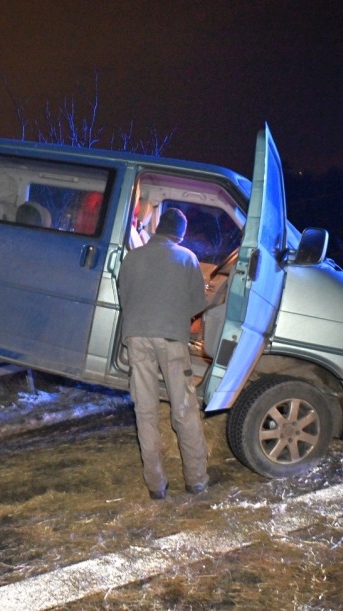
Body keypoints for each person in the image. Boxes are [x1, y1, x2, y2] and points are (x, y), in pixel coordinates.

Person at [117, 208, 211, 500]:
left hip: (136, 336)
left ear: (157, 228)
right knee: (183, 409)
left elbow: (123, 295)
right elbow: (197, 304)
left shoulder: (131, 257)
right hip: (171, 338)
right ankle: (196, 480)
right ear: (181, 234)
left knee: (145, 412)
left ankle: (156, 485)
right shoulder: (187, 258)